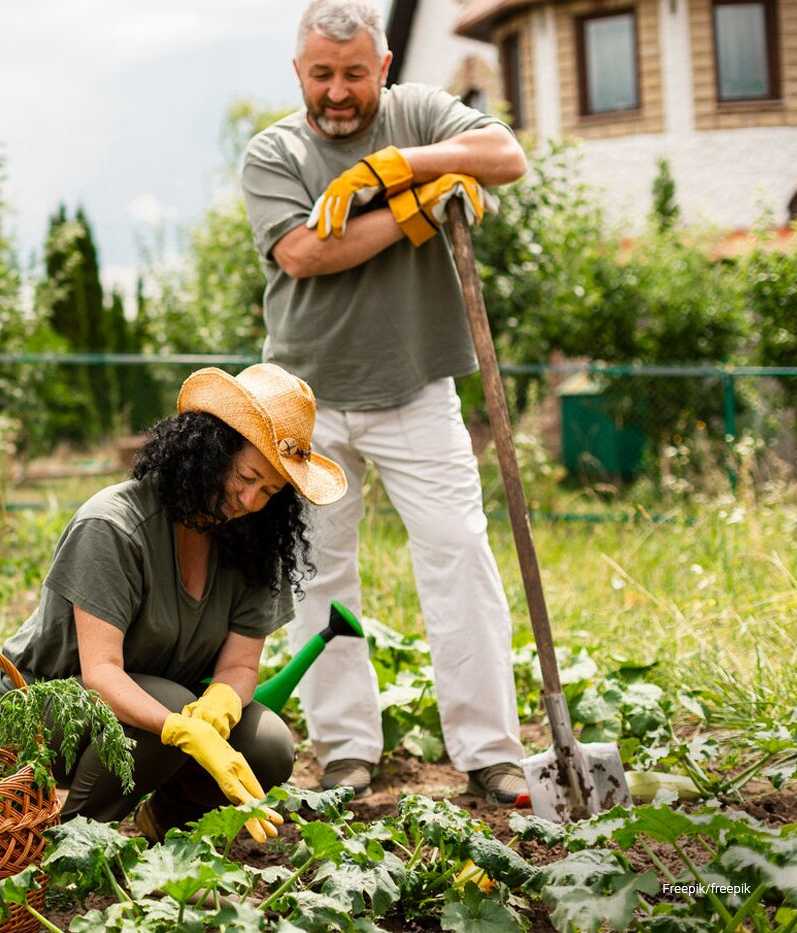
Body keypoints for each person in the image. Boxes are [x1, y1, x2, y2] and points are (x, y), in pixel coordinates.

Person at [238, 0, 530, 806]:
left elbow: (504, 154)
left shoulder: (419, 112)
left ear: (385, 67)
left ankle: (489, 750)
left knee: (458, 556)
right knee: (319, 575)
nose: (338, 92)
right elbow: (302, 252)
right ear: (299, 71)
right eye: (322, 74)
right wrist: (411, 212)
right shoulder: (275, 150)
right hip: (306, 402)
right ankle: (346, 749)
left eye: (355, 74)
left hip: (416, 389)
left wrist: (392, 164)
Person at [0, 363, 347, 842]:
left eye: (270, 491)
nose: (251, 500)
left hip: (153, 708)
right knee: (167, 712)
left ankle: (165, 821)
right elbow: (101, 673)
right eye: (246, 476)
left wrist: (220, 705)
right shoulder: (114, 526)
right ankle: (65, 843)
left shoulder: (256, 545)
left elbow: (240, 668)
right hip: (42, 712)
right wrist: (183, 728)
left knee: (269, 746)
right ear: (209, 450)